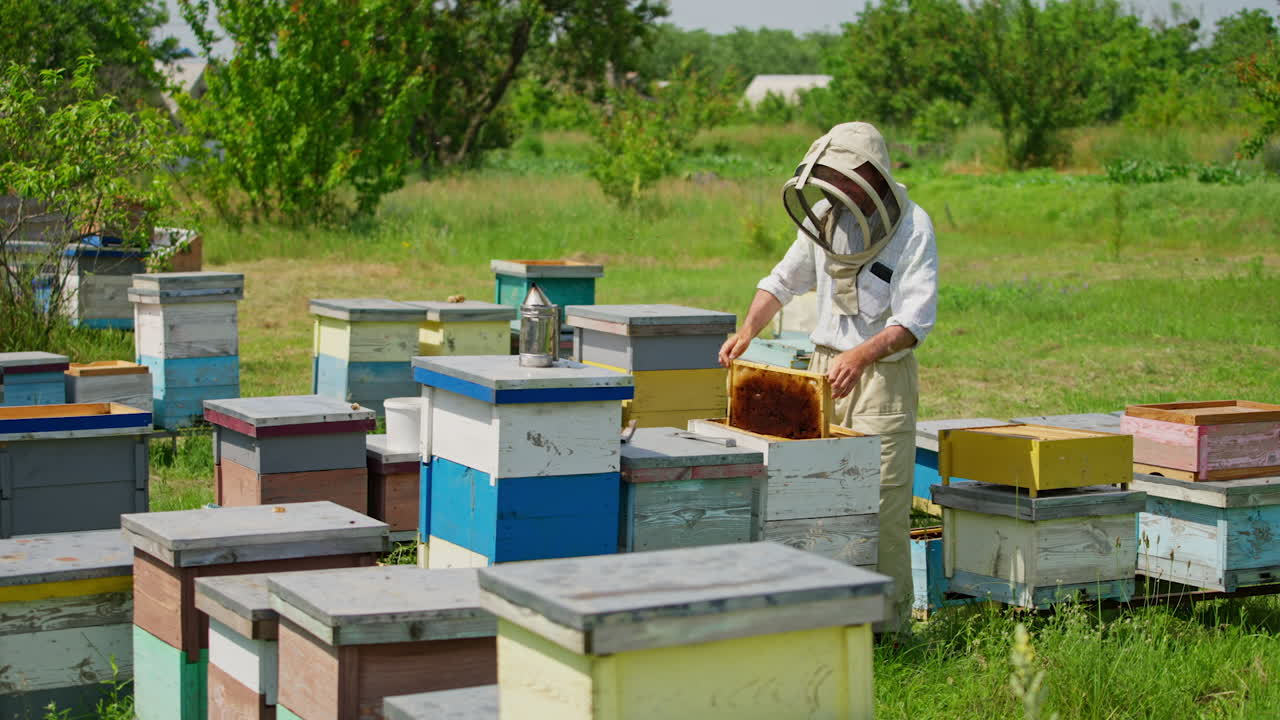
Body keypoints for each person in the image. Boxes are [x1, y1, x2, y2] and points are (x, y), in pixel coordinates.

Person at [718, 121, 938, 631]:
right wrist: (749, 328)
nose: (838, 193)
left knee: (882, 502)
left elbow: (914, 322)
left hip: (880, 379)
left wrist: (860, 356)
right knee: (816, 493)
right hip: (820, 373)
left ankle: (887, 629)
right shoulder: (822, 217)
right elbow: (782, 280)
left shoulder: (913, 226)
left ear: (874, 178)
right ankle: (827, 617)